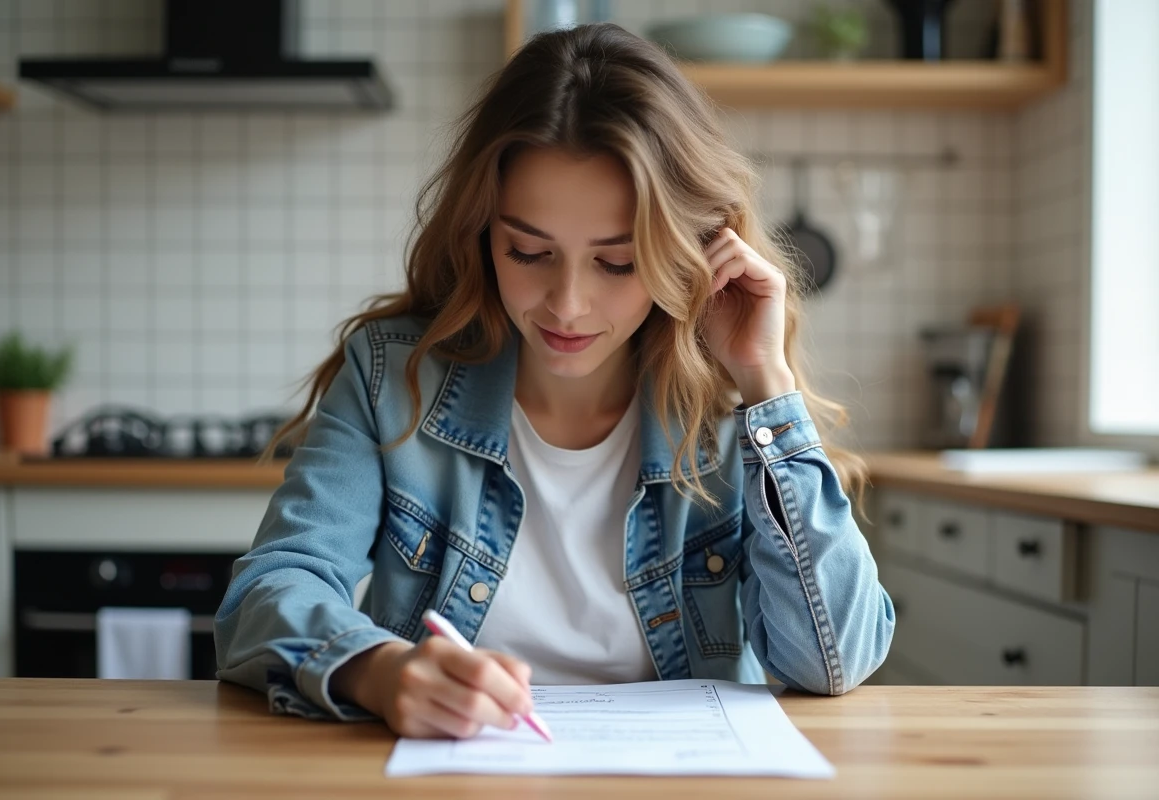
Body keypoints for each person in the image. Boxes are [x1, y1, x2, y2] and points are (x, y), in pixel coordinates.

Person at [214, 22, 894, 740]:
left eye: (617, 262)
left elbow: (834, 661)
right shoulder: (391, 377)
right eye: (529, 251)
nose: (568, 305)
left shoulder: (731, 405)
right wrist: (378, 671)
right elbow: (267, 593)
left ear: (689, 254)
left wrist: (767, 383)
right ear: (484, 234)